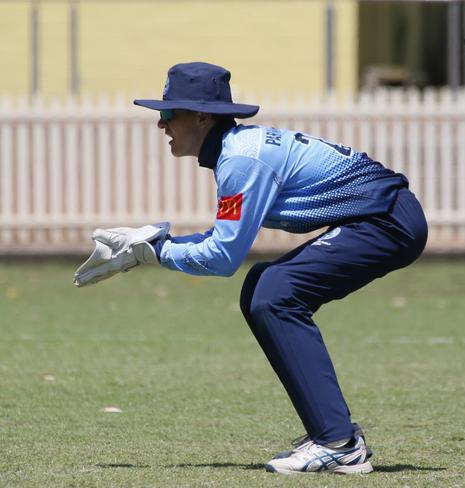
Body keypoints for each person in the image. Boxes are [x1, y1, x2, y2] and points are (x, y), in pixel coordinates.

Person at [73, 62, 428, 473]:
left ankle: (338, 443)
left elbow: (223, 257)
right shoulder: (237, 150)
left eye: (169, 114)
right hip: (385, 216)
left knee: (275, 294)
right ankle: (332, 435)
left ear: (202, 117)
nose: (160, 124)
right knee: (265, 288)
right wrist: (154, 245)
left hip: (386, 221)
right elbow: (225, 240)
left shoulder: (241, 160)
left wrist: (151, 252)